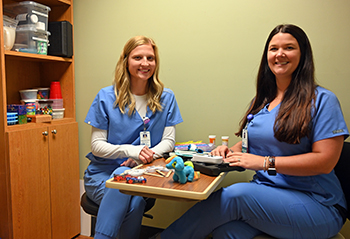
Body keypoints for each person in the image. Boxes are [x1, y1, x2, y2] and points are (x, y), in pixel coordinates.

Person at [154, 24, 349, 239]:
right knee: (226, 232)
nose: (280, 54)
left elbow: (325, 161)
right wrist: (229, 151)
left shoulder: (322, 100)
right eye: (273, 48)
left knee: (236, 195)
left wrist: (264, 162)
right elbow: (252, 142)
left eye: (289, 48)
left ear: (303, 55)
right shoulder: (262, 102)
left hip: (317, 204)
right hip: (269, 196)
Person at [84, 36, 183, 239]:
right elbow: (96, 146)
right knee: (127, 186)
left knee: (134, 196)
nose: (145, 63)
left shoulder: (166, 97)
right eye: (138, 57)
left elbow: (169, 141)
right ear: (126, 60)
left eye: (150, 58)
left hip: (141, 175)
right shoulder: (106, 96)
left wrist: (142, 156)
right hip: (103, 175)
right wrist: (131, 150)